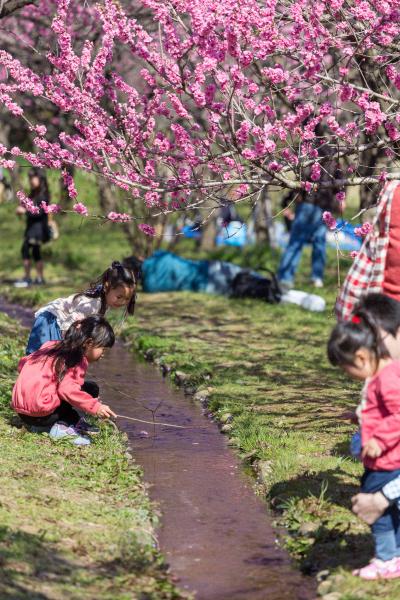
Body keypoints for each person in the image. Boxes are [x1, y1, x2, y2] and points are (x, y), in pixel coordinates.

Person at [328, 309, 400, 579]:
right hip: (385, 459)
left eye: (348, 371)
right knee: (391, 509)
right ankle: (395, 556)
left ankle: (385, 559)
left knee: (376, 511)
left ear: (360, 357)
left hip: (387, 461)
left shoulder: (387, 379)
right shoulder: (383, 375)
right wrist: (359, 415)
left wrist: (380, 440)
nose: (349, 376)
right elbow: (381, 410)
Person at [12, 316, 116, 446]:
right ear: (89, 343)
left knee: (82, 387)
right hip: (42, 414)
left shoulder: (50, 345)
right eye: (103, 349)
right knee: (90, 389)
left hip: (22, 411)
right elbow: (67, 390)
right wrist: (96, 406)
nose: (103, 354)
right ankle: (62, 428)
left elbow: (23, 364)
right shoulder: (78, 358)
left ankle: (43, 426)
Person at [26, 261, 136, 355]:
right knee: (39, 356)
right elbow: (70, 323)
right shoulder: (93, 304)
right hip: (52, 321)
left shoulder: (103, 301)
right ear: (107, 287)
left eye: (127, 299)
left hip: (59, 322)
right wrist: (68, 346)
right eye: (119, 297)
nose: (123, 302)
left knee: (49, 360)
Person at [277, 145, 341, 290]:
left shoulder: (312, 158)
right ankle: (316, 277)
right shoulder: (336, 162)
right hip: (322, 208)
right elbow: (340, 186)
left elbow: (300, 183)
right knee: (318, 243)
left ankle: (286, 277)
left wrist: (286, 203)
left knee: (296, 242)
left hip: (308, 205)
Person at [15, 167, 51, 288]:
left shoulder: (43, 195)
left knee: (29, 250)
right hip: (31, 228)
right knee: (32, 251)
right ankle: (37, 278)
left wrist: (24, 211)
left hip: (38, 229)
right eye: (30, 178)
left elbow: (39, 212)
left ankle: (30, 277)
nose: (31, 180)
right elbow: (28, 207)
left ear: (40, 179)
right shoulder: (33, 194)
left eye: (33, 178)